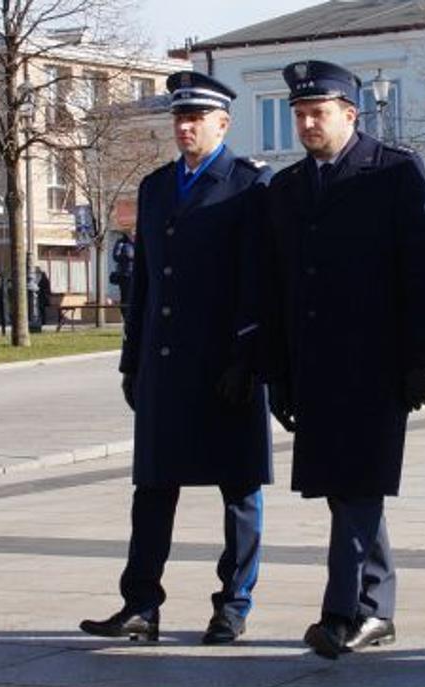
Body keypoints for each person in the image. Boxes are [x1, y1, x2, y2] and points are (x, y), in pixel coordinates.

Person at [258, 59, 425, 659]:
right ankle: (376, 604)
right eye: (299, 114)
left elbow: (424, 269)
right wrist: (278, 373)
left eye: (319, 112)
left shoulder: (393, 172)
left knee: (360, 484)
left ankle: (345, 611)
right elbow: (276, 285)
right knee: (346, 491)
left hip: (375, 362)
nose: (308, 123)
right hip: (314, 366)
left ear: (350, 113)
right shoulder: (287, 188)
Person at [79, 69, 272, 645]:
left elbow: (259, 281)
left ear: (223, 123)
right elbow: (144, 284)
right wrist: (131, 360)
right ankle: (141, 604)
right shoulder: (157, 186)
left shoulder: (249, 185)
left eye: (196, 119)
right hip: (166, 364)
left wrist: (249, 355)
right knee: (153, 490)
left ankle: (233, 605)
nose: (185, 128)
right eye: (179, 118)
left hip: (225, 367)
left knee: (239, 491)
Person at [108, 232, 134, 306]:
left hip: (136, 274)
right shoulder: (121, 243)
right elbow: (116, 256)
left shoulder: (136, 242)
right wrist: (127, 257)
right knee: (126, 297)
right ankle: (125, 313)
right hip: (125, 275)